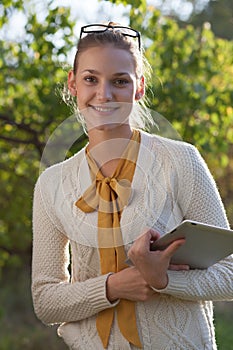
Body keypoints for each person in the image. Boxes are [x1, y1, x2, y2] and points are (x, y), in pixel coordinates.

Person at [31, 22, 233, 350]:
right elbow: (45, 300)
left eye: (120, 81)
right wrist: (113, 286)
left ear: (139, 87)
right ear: (73, 84)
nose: (104, 94)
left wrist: (163, 280)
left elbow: (230, 273)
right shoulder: (52, 184)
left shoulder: (180, 161)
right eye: (90, 79)